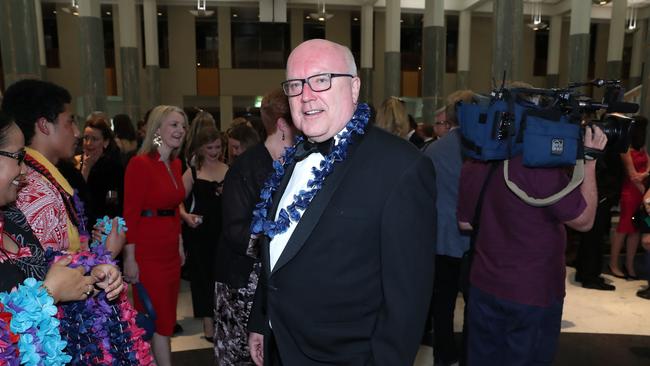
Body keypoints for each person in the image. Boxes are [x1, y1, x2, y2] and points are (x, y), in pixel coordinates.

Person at [247, 39, 436, 366]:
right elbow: (278, 255)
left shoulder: (400, 167)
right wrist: (261, 322)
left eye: (321, 80)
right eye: (295, 85)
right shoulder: (291, 158)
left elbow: (408, 300)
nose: (306, 96)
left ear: (354, 87)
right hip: (282, 346)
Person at [457, 122, 607, 364]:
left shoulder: (475, 164)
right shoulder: (540, 168)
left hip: (483, 286)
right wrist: (589, 161)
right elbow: (585, 220)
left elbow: (466, 224)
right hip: (532, 293)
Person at [214, 88, 296, 364]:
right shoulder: (246, 168)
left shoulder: (297, 165)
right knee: (241, 357)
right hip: (243, 284)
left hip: (276, 281)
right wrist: (280, 241)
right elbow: (236, 231)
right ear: (284, 125)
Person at [1, 79, 120, 256]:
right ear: (44, 125)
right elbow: (46, 275)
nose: (77, 133)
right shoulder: (37, 195)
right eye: (69, 122)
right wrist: (106, 253)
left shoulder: (47, 178)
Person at [123, 105, 188, 366]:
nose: (180, 130)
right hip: (148, 255)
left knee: (166, 321)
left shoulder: (175, 163)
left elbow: (173, 209)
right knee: (156, 320)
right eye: (174, 124)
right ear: (157, 129)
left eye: (183, 126)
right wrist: (130, 257)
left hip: (170, 251)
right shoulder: (140, 164)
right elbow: (130, 214)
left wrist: (180, 243)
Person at [423, 89, 474, 366]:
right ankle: (469, 353)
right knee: (473, 303)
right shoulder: (481, 148)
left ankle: (443, 354)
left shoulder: (434, 149)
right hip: (471, 238)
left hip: (441, 237)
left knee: (442, 303)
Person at [179, 126, 228, 341]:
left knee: (220, 275)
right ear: (200, 148)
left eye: (218, 147)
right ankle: (208, 323)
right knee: (201, 277)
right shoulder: (192, 171)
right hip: (199, 232)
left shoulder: (228, 169)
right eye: (210, 147)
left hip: (222, 230)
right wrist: (185, 216)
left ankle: (221, 318)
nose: (215, 151)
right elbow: (176, 199)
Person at [609, 116, 649, 279]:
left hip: (642, 192)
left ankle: (629, 265)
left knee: (636, 230)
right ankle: (613, 264)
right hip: (630, 193)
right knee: (624, 229)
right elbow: (632, 175)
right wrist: (645, 180)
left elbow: (648, 166)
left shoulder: (642, 147)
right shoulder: (625, 148)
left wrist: (645, 176)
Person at [77, 116, 124, 225]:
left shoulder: (113, 167)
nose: (88, 143)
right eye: (86, 138)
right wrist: (86, 168)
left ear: (105, 142)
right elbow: (76, 196)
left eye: (94, 139)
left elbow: (115, 203)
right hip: (80, 223)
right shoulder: (75, 163)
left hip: (104, 225)